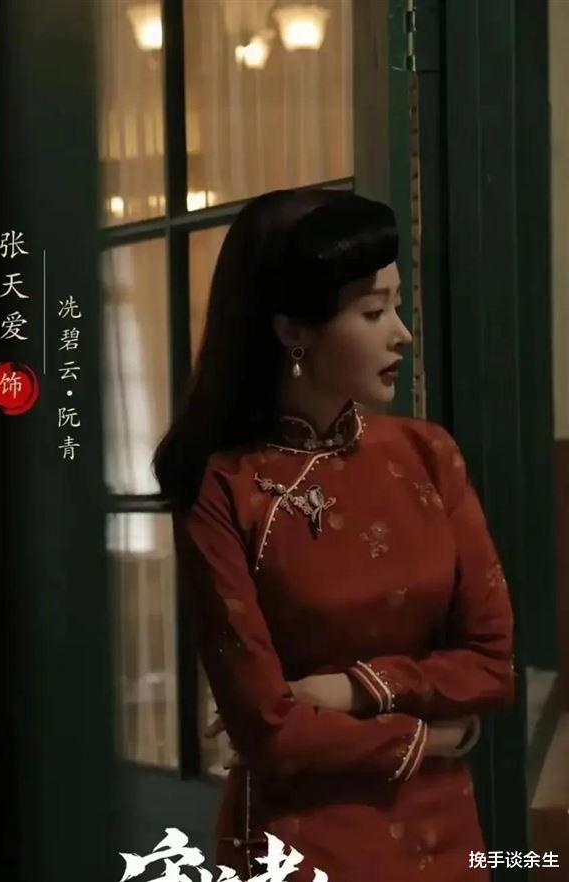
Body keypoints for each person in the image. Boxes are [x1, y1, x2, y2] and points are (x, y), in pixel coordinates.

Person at [152, 187, 515, 882]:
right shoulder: (222, 486)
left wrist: (349, 690)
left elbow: (492, 665)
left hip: (447, 835)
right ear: (294, 330)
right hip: (301, 847)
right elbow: (271, 733)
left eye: (397, 306)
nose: (401, 334)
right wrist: (438, 734)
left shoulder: (427, 454)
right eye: (373, 312)